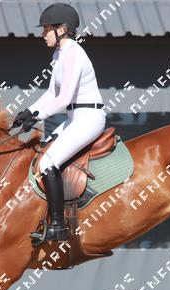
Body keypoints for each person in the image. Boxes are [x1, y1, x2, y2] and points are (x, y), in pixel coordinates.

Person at [13, 3, 106, 246]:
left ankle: (58, 226)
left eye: (46, 29)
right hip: (74, 117)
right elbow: (51, 94)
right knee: (41, 152)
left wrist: (38, 117)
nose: (43, 34)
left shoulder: (74, 54)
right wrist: (29, 111)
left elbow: (63, 99)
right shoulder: (60, 55)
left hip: (89, 118)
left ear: (62, 29)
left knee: (47, 163)